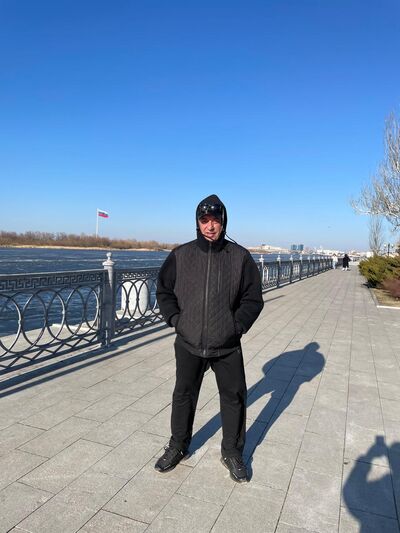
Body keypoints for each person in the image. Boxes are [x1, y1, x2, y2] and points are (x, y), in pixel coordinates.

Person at [154, 194, 264, 482]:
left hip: (227, 344)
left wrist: (236, 326)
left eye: (215, 220)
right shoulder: (181, 255)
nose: (210, 226)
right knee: (183, 395)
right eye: (205, 220)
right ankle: (178, 445)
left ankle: (232, 452)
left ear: (223, 222)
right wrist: (176, 320)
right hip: (188, 342)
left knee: (234, 397)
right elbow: (164, 291)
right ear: (197, 222)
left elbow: (253, 298)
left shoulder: (239, 257)